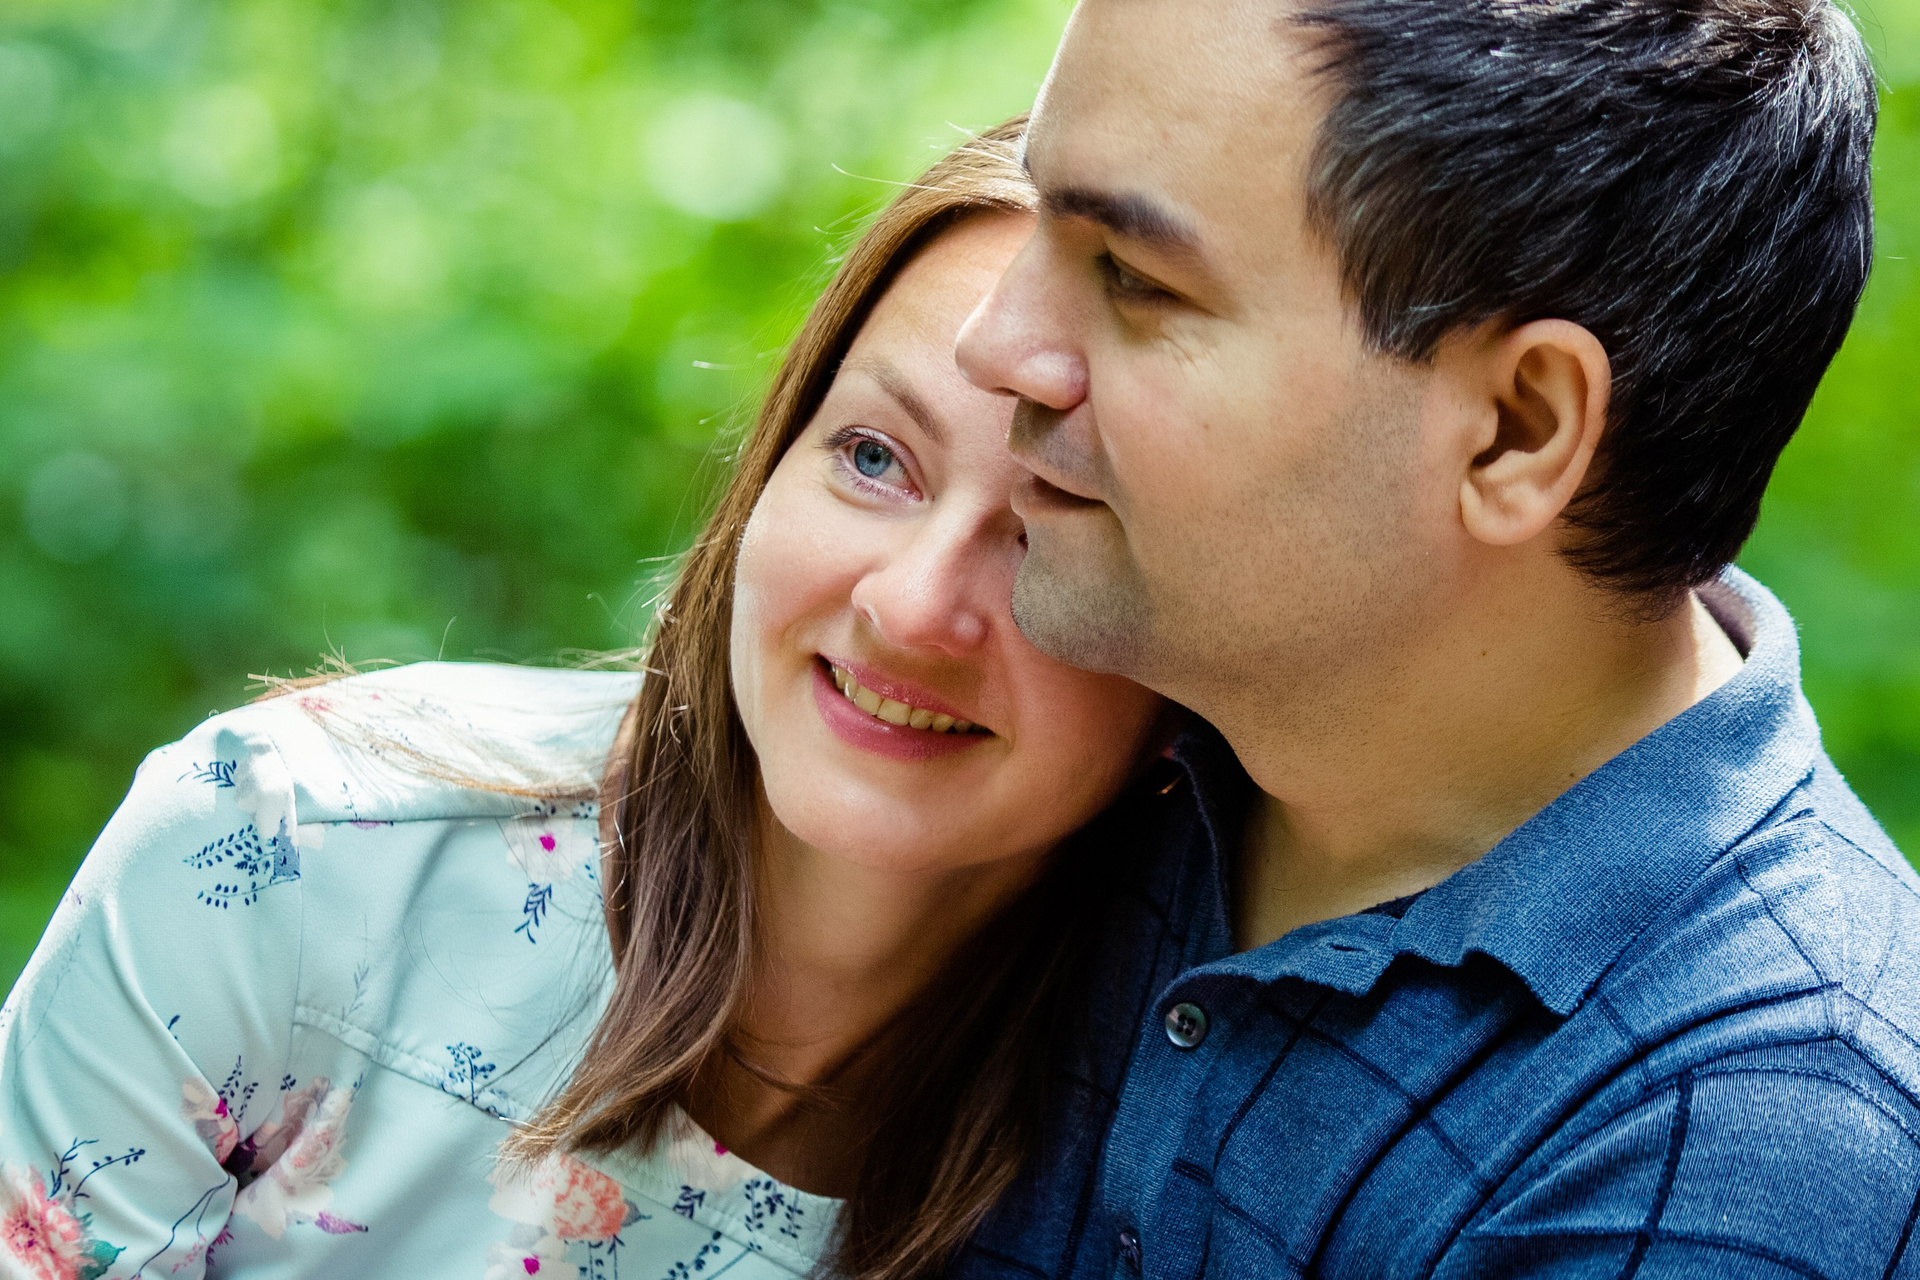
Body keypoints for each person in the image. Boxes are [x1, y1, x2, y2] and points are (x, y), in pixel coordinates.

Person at [0, 121, 1175, 1280]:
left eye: (1058, 529)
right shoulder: (284, 852)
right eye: (873, 455)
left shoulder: (1180, 1160)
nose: (913, 606)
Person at [948, 0, 1916, 1276]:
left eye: (1133, 276)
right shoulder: (1069, 706)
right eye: (1037, 219)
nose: (992, 344)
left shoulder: (1752, 1129)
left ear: (1517, 430)